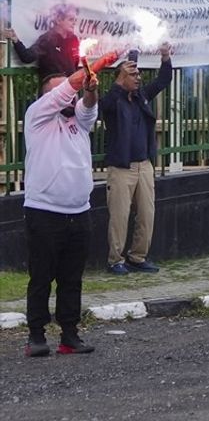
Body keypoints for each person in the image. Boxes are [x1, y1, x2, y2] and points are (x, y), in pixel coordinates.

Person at [23, 53, 114, 357]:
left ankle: (69, 335)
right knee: (41, 278)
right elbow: (68, 88)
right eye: (58, 91)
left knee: (71, 279)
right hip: (44, 212)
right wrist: (92, 68)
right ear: (46, 98)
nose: (66, 95)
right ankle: (36, 336)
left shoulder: (78, 121)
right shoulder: (37, 117)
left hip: (79, 213)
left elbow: (88, 105)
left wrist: (90, 87)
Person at [99, 42, 173, 275]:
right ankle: (115, 260)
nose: (138, 78)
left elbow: (163, 81)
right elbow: (103, 106)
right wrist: (119, 85)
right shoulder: (112, 101)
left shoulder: (142, 97)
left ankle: (137, 257)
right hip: (121, 167)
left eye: (138, 73)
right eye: (132, 74)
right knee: (119, 216)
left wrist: (165, 57)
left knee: (146, 214)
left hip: (144, 164)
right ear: (120, 78)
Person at [3, 2, 81, 80]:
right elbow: (27, 57)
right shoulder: (48, 39)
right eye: (71, 19)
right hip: (53, 88)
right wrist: (15, 39)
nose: (74, 23)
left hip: (71, 88)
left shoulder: (73, 39)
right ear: (58, 20)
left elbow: (75, 64)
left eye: (75, 20)